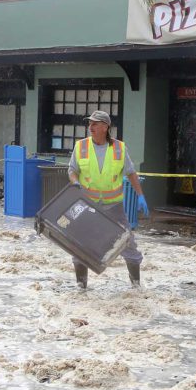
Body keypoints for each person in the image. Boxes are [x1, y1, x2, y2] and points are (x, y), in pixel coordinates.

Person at [68, 110, 149, 289]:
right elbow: (72, 170)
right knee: (79, 244)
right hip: (87, 206)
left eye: (95, 124)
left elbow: (131, 173)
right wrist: (75, 183)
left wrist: (141, 195)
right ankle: (81, 288)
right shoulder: (80, 146)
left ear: (105, 127)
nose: (90, 127)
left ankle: (136, 287)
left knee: (127, 243)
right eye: (90, 124)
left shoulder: (120, 148)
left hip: (114, 206)